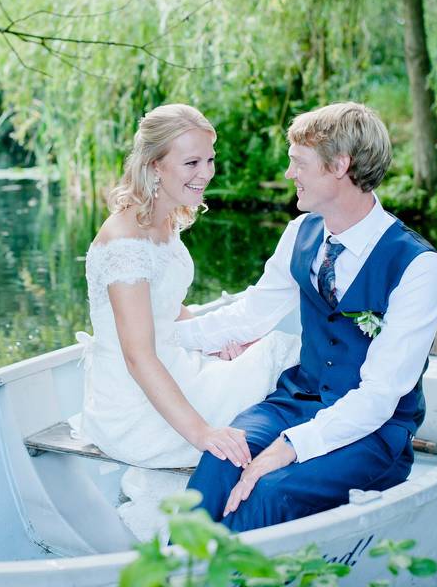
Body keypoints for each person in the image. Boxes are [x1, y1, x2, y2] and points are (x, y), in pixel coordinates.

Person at [176, 102, 437, 532]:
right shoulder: (301, 232)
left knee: (271, 491)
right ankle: (178, 571)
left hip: (373, 431)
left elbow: (380, 396)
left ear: (340, 166)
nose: (290, 175)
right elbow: (251, 315)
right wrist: (162, 338)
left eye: (299, 163)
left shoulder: (417, 267)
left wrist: (289, 446)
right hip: (297, 400)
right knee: (221, 456)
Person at [79, 104, 300, 473]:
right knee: (280, 353)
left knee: (269, 349)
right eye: (192, 163)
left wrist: (212, 345)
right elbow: (138, 356)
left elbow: (166, 307)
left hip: (172, 362)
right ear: (154, 166)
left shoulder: (162, 219)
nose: (206, 173)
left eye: (210, 160)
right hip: (134, 402)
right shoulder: (124, 243)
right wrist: (201, 433)